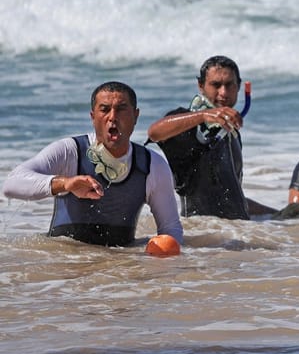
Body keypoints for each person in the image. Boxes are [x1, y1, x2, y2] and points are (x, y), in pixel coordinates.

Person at [2, 81, 182, 247]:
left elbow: (171, 229)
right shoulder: (70, 151)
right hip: (65, 262)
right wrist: (65, 183)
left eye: (121, 109)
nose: (112, 117)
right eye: (105, 110)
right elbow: (11, 184)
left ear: (136, 116)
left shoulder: (152, 165)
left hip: (123, 265)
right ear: (93, 116)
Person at [147, 55, 274, 219]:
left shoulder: (230, 132)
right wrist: (204, 115)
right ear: (201, 86)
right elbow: (155, 132)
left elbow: (230, 198)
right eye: (216, 85)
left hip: (235, 229)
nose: (223, 92)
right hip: (202, 230)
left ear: (239, 86)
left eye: (229, 85)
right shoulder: (190, 125)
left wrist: (279, 214)